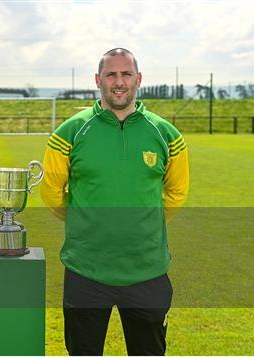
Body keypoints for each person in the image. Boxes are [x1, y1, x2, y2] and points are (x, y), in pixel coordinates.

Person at [40, 48, 189, 355]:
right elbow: (51, 191)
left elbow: (176, 192)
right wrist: (85, 221)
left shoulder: (166, 134)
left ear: (139, 79)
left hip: (147, 271)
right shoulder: (69, 131)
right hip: (86, 271)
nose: (118, 82)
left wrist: (143, 225)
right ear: (98, 79)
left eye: (126, 74)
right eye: (111, 74)